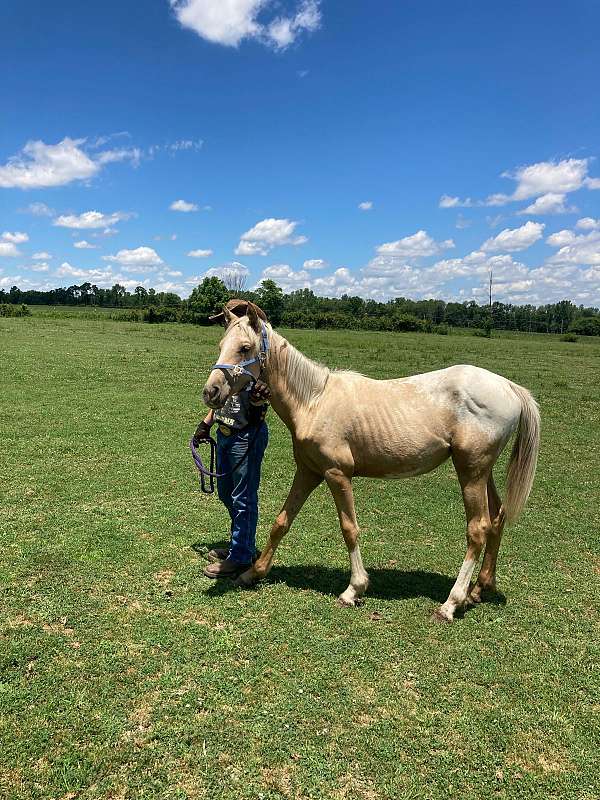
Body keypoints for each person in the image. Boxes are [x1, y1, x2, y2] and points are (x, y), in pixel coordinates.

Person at [194, 299, 271, 578]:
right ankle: (242, 544)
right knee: (227, 493)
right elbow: (222, 401)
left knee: (243, 497)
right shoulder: (230, 353)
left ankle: (241, 556)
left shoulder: (255, 358)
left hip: (245, 436)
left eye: (231, 319)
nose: (227, 325)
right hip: (224, 432)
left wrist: (258, 401)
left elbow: (260, 401)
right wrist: (205, 424)